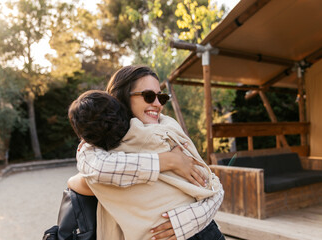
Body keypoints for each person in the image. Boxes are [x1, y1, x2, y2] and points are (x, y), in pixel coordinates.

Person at [69, 65, 225, 240]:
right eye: (149, 96)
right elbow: (90, 174)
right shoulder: (100, 147)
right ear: (121, 97)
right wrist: (168, 161)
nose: (157, 104)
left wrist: (191, 219)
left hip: (201, 232)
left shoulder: (168, 130)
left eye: (162, 97)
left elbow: (213, 186)